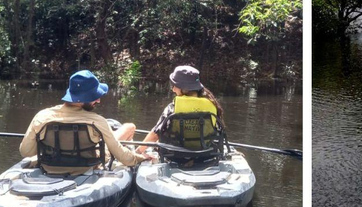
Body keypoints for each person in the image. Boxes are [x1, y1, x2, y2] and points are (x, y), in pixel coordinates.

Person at [19, 70, 151, 175]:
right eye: (95, 97)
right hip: (86, 168)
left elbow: (26, 152)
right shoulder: (97, 121)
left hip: (50, 167)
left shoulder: (42, 116)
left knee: (127, 128)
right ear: (84, 99)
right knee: (129, 127)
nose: (98, 101)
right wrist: (140, 158)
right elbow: (123, 157)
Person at [137, 65, 224, 153]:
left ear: (185, 88)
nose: (173, 89)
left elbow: (155, 134)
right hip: (205, 154)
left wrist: (138, 152)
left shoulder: (172, 108)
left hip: (176, 156)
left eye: (175, 85)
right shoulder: (212, 105)